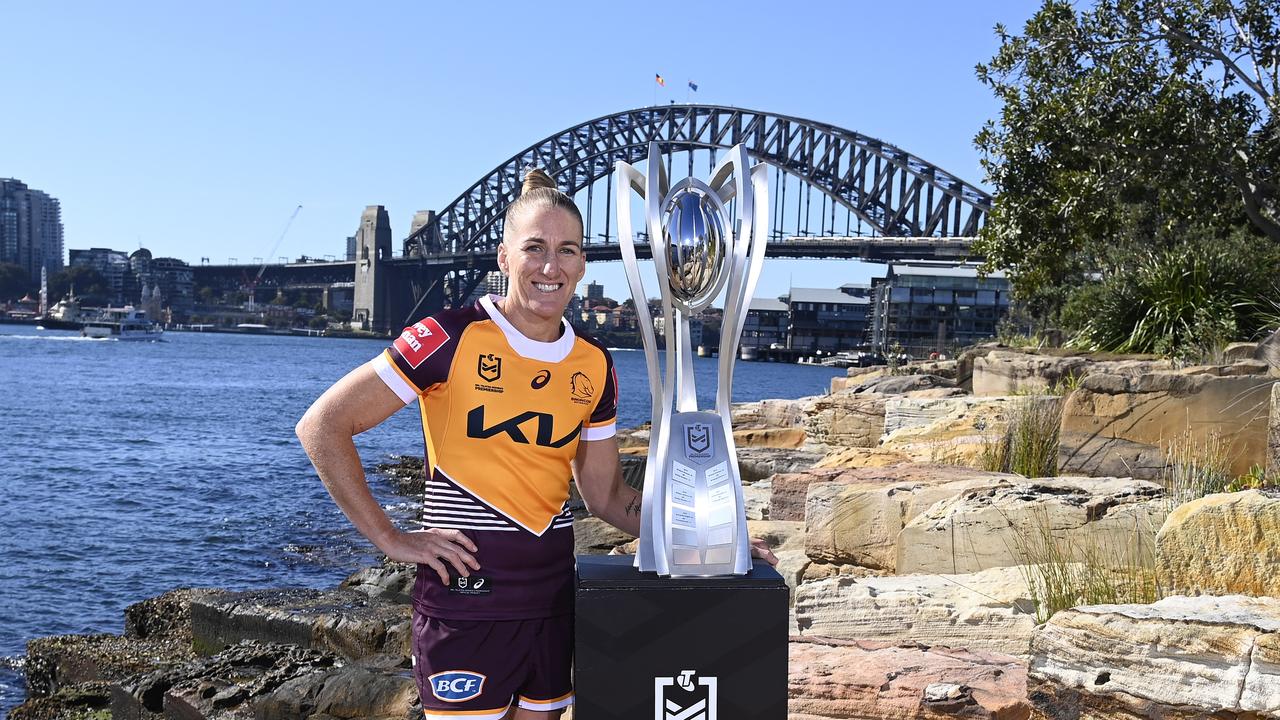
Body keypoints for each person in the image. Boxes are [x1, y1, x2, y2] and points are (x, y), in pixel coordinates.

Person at [296, 169, 777, 720]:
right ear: (504, 258)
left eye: (566, 250)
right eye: (535, 248)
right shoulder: (450, 336)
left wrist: (716, 542)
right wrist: (389, 537)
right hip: (465, 607)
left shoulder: (594, 364)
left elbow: (606, 497)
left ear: (581, 264)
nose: (551, 267)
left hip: (552, 605)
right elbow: (322, 426)